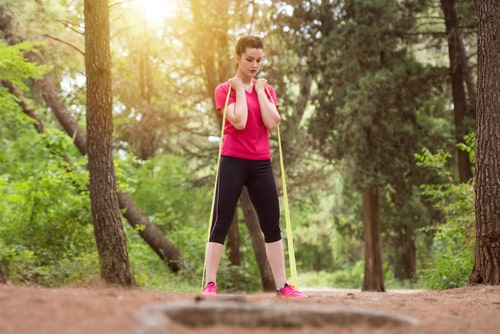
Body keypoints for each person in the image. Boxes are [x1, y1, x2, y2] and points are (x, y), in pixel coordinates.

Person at [202, 35, 307, 298]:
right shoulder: (224, 90)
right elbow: (239, 121)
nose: (254, 65)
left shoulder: (267, 90)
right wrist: (239, 89)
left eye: (259, 60)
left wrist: (259, 91)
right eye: (249, 59)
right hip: (233, 161)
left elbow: (273, 122)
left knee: (271, 224)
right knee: (222, 220)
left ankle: (282, 287)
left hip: (261, 164)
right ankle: (210, 284)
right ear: (237, 58)